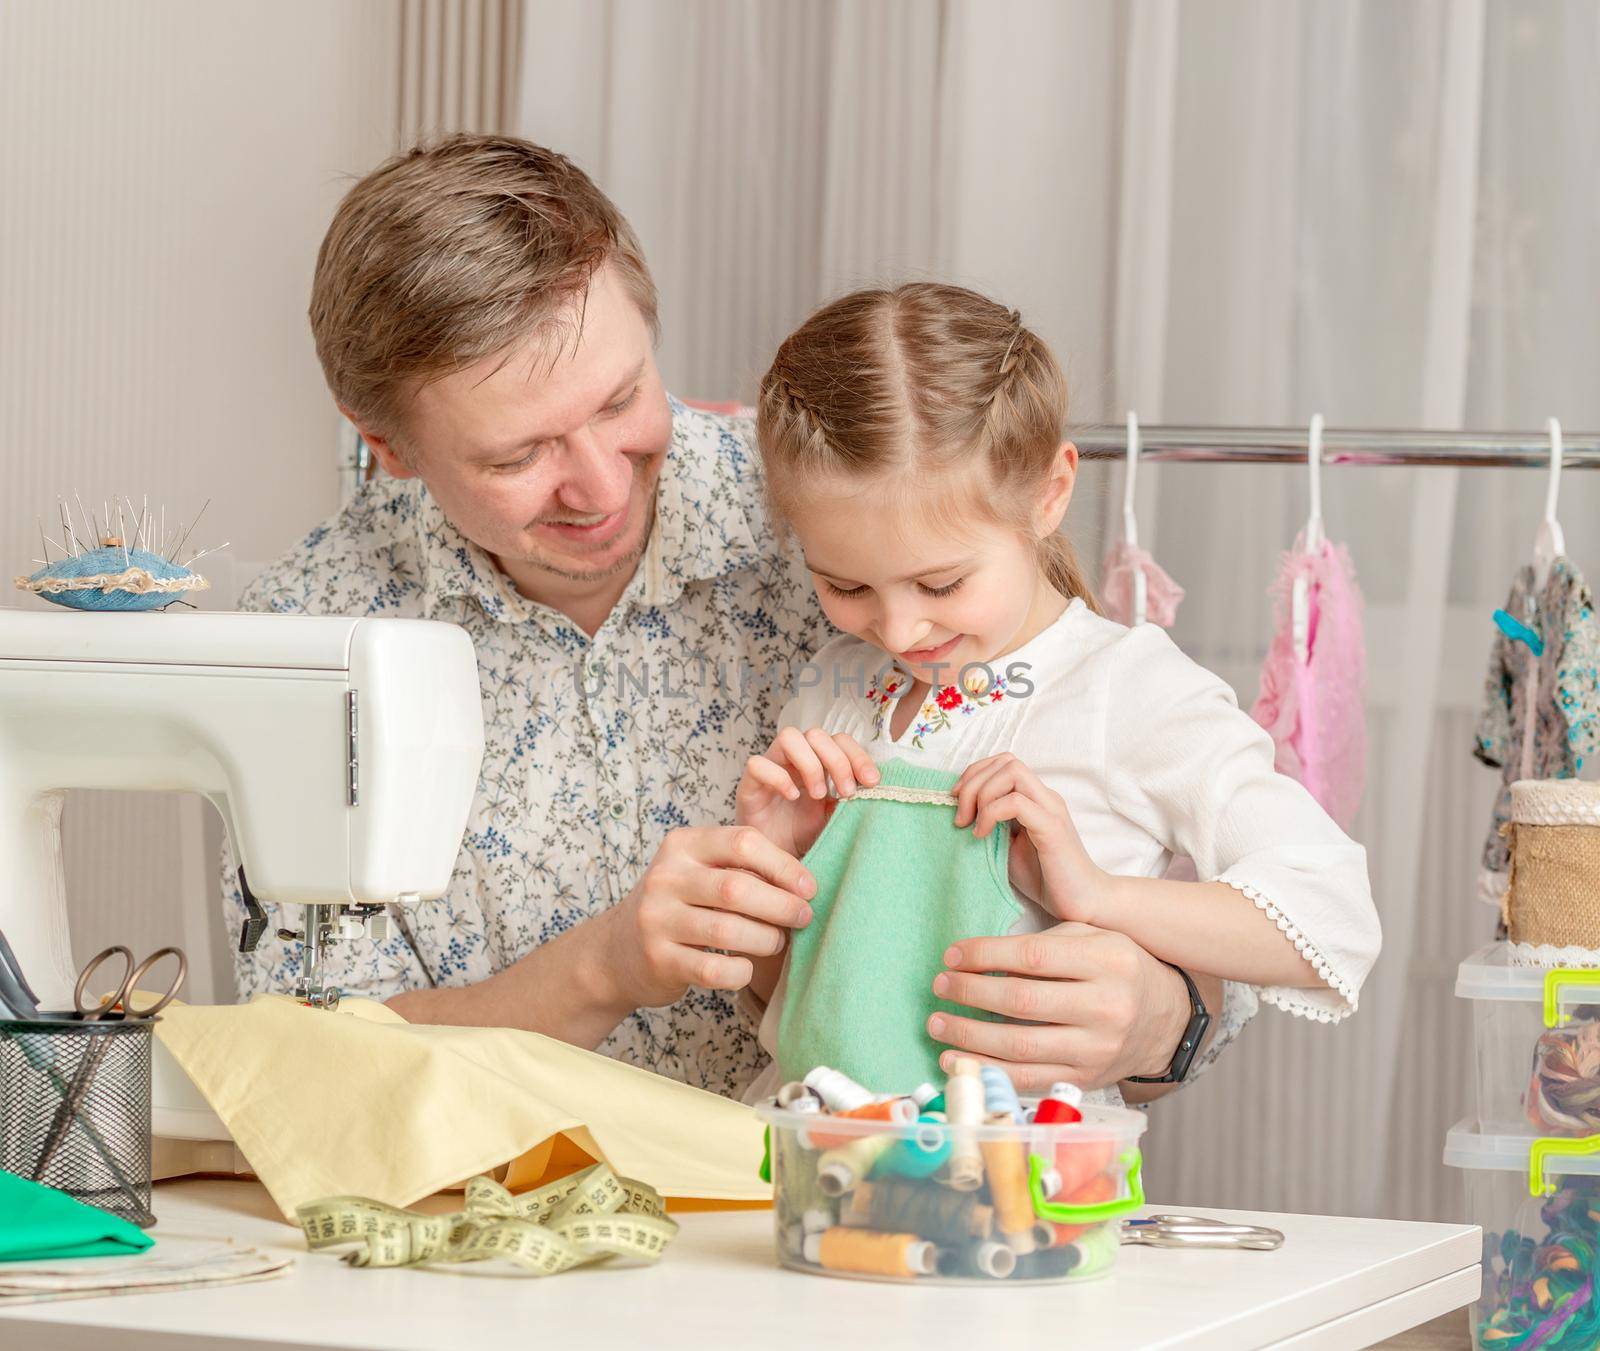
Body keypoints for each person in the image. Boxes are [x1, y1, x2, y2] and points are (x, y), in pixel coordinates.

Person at [229, 133, 1254, 1101]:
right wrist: (601, 967)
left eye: (620, 398)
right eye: (516, 456)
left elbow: (1161, 912)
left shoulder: (844, 529)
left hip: (842, 1223)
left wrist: (1162, 1020)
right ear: (387, 447)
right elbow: (306, 1077)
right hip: (464, 1249)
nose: (597, 485)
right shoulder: (306, 645)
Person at [735, 283, 1380, 1099]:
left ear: (1049, 492)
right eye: (845, 584)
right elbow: (790, 1009)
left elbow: (1333, 913)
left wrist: (1102, 896)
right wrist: (776, 868)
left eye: (941, 582)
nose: (897, 632)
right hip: (803, 1173)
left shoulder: (1128, 689)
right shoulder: (834, 686)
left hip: (1018, 1200)